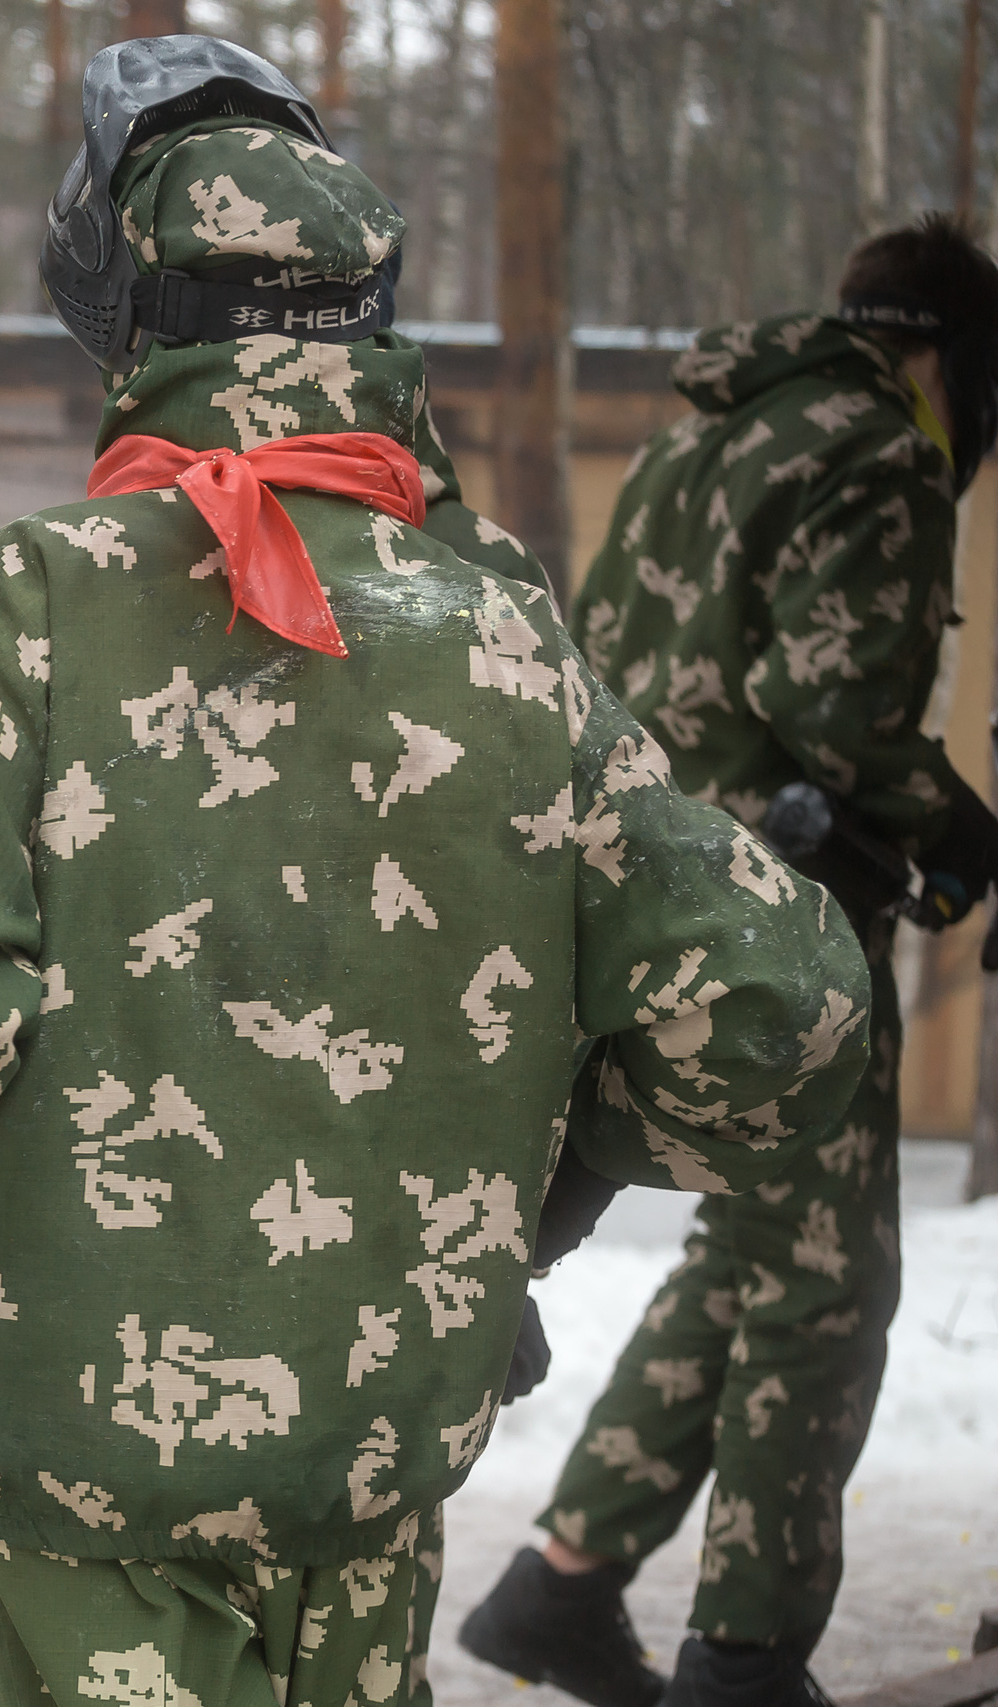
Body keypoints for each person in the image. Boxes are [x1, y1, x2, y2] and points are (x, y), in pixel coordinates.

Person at [0, 35, 874, 1707]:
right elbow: (777, 1007)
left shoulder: (30, 604)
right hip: (368, 1446)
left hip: (73, 1463)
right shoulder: (493, 621)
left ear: (129, 318)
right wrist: (517, 1201)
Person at [457, 215, 998, 1707]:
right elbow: (846, 723)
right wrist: (962, 835)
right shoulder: (878, 453)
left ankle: (558, 1585)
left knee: (750, 1250)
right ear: (949, 355)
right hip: (784, 934)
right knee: (828, 1285)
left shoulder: (709, 437)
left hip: (650, 894)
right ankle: (750, 1656)